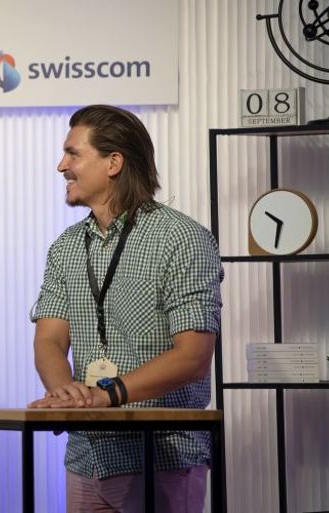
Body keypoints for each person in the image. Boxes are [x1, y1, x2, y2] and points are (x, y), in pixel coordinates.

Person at [28, 105, 223, 513]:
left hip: (161, 459)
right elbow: (49, 340)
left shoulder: (182, 238)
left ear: (113, 162)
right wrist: (65, 393)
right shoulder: (65, 248)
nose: (61, 166)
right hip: (86, 459)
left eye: (73, 154)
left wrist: (106, 396)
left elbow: (193, 358)